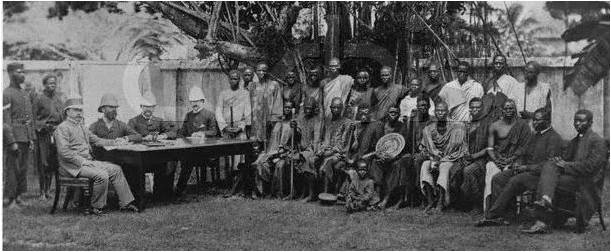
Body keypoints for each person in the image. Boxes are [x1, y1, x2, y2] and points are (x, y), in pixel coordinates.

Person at [522, 110, 607, 234]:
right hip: (573, 177)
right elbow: (565, 156)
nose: (577, 124)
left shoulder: (597, 141)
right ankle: (546, 201)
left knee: (547, 177)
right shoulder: (576, 140)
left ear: (590, 123)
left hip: (586, 182)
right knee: (550, 165)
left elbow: (590, 167)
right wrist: (559, 160)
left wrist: (566, 165)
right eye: (575, 121)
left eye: (581, 121)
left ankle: (543, 212)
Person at [475, 108, 563, 226]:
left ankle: (493, 215)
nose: (534, 123)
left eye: (538, 120)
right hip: (525, 170)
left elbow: (549, 166)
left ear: (547, 121)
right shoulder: (535, 135)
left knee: (515, 181)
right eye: (534, 120)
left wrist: (526, 168)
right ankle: (505, 214)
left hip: (539, 176)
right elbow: (525, 153)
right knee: (498, 178)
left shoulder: (554, 138)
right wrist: (517, 163)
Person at [54, 96, 139, 215]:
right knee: (102, 175)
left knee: (116, 169)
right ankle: (96, 207)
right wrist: (82, 162)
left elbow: (97, 140)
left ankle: (125, 203)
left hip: (87, 163)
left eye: (80, 110)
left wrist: (115, 142)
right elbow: (64, 152)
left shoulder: (81, 127)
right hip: (71, 167)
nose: (79, 113)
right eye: (76, 110)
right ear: (67, 112)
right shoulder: (62, 128)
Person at [127, 91, 178, 202]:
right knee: (133, 169)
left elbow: (173, 133)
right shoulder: (133, 121)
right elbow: (129, 135)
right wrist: (144, 138)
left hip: (158, 158)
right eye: (146, 107)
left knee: (170, 163)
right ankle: (139, 197)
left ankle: (161, 195)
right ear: (141, 107)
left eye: (151, 107)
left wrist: (163, 136)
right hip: (141, 159)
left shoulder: (159, 121)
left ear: (154, 108)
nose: (148, 109)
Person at [482, 100, 532, 211]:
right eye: (506, 108)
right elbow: (490, 148)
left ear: (515, 110)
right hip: (498, 159)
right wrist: (496, 160)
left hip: (515, 160)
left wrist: (511, 159)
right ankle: (490, 208)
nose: (509, 110)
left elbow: (524, 148)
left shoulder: (522, 125)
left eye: (511, 108)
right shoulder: (494, 126)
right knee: (490, 170)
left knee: (506, 174)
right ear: (502, 110)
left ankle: (505, 209)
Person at [419, 101, 468, 213]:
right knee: (424, 165)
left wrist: (443, 159)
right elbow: (425, 147)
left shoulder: (457, 127)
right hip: (435, 157)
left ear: (447, 112)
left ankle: (441, 202)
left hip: (450, 158)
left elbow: (460, 149)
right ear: (435, 112)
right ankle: (430, 200)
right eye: (438, 111)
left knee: (444, 167)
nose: (440, 113)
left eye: (443, 111)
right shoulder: (429, 128)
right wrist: (432, 157)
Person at [176, 86, 220, 198]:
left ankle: (180, 189)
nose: (194, 104)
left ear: (202, 101)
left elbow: (214, 131)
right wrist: (180, 139)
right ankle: (179, 190)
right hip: (191, 150)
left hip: (207, 151)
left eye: (196, 101)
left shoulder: (209, 114)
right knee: (186, 159)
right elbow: (182, 132)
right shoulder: (188, 115)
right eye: (192, 102)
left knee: (189, 160)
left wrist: (203, 133)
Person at [3, 62, 36, 209]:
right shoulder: (6, 93)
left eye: (23, 72)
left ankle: (18, 197)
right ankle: (9, 199)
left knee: (22, 169)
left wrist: (31, 138)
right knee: (12, 169)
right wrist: (11, 141)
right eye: (18, 72)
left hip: (25, 137)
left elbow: (29, 118)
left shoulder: (24, 93)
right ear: (10, 74)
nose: (22, 74)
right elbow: (5, 120)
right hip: (14, 137)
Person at [253, 101, 300, 198]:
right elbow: (273, 138)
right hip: (274, 151)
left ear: (293, 109)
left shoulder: (294, 123)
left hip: (288, 152)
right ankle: (263, 192)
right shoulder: (279, 122)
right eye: (285, 107)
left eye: (289, 108)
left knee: (280, 165)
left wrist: (294, 129)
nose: (287, 109)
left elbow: (296, 138)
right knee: (261, 163)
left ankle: (278, 193)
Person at [453, 97, 492, 211]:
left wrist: (475, 156)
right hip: (468, 157)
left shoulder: (488, 123)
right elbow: (463, 142)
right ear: (469, 109)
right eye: (472, 107)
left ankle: (477, 203)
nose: (475, 110)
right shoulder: (468, 123)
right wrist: (465, 155)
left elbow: (490, 147)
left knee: (469, 171)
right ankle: (461, 203)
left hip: (483, 158)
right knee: (454, 170)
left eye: (477, 107)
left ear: (482, 108)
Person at [33, 74, 65, 200]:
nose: (53, 85)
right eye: (50, 83)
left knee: (52, 162)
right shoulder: (39, 98)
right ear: (45, 85)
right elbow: (33, 117)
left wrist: (60, 127)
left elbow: (62, 116)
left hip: (56, 133)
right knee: (43, 162)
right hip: (43, 134)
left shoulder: (58, 99)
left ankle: (48, 191)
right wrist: (42, 126)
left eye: (54, 83)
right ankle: (41, 192)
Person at [346, 103, 384, 201]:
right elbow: (355, 146)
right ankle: (350, 193)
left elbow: (379, 147)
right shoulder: (358, 126)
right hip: (359, 155)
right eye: (361, 113)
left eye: (365, 113)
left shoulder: (377, 125)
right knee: (349, 165)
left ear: (370, 113)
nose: (363, 115)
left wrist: (369, 155)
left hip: (372, 156)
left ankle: (374, 196)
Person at [89, 93, 142, 159]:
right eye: (111, 107)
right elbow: (89, 142)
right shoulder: (94, 126)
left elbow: (138, 136)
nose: (114, 110)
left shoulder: (121, 125)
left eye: (115, 108)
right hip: (100, 160)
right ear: (103, 109)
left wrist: (125, 138)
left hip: (119, 159)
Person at [371, 106, 405, 209]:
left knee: (395, 166)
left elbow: (402, 145)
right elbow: (377, 145)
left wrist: (392, 157)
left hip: (395, 157)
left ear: (399, 114)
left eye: (396, 112)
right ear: (387, 114)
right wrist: (379, 155)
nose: (393, 114)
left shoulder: (402, 127)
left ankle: (386, 199)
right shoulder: (381, 126)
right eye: (391, 112)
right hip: (382, 155)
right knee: (375, 162)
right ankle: (376, 196)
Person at [318, 97, 354, 194]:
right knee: (315, 159)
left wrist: (332, 151)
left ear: (342, 108)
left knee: (328, 162)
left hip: (340, 154)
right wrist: (322, 149)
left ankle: (327, 192)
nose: (336, 110)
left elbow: (344, 142)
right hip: (328, 151)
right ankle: (314, 193)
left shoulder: (347, 122)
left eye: (338, 108)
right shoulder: (328, 122)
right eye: (334, 107)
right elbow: (324, 139)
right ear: (330, 108)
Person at [293, 97, 323, 201]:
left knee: (307, 161)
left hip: (312, 149)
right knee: (293, 159)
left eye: (310, 108)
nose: (308, 111)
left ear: (313, 108)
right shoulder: (301, 119)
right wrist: (294, 128)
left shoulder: (317, 120)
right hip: (301, 148)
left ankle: (310, 194)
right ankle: (301, 191)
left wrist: (313, 152)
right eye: (306, 108)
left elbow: (317, 139)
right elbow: (297, 133)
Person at [249, 62, 283, 143]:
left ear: (267, 72)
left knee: (269, 141)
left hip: (269, 119)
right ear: (255, 72)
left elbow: (277, 102)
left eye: (264, 70)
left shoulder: (274, 84)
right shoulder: (252, 85)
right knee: (255, 143)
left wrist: (274, 118)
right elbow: (249, 103)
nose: (261, 73)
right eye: (259, 70)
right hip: (255, 120)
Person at [216, 70, 251, 140]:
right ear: (228, 79)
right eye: (231, 79)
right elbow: (218, 111)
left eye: (235, 79)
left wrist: (241, 127)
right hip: (226, 129)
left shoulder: (245, 93)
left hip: (240, 129)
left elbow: (247, 112)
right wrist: (224, 127)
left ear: (239, 80)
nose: (233, 81)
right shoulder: (223, 94)